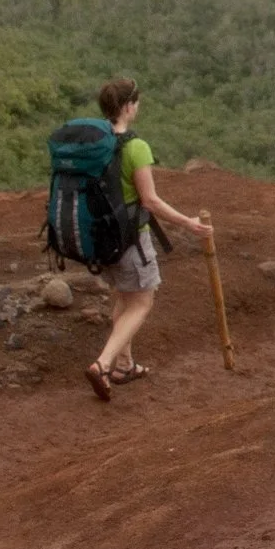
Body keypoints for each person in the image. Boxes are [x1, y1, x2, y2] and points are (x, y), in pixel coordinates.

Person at [85, 77, 210, 401]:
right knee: (142, 303)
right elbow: (150, 201)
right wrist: (189, 223)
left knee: (125, 299)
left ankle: (123, 366)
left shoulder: (94, 142)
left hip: (100, 239)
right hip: (130, 239)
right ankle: (103, 364)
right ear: (128, 107)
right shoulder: (135, 147)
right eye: (136, 102)